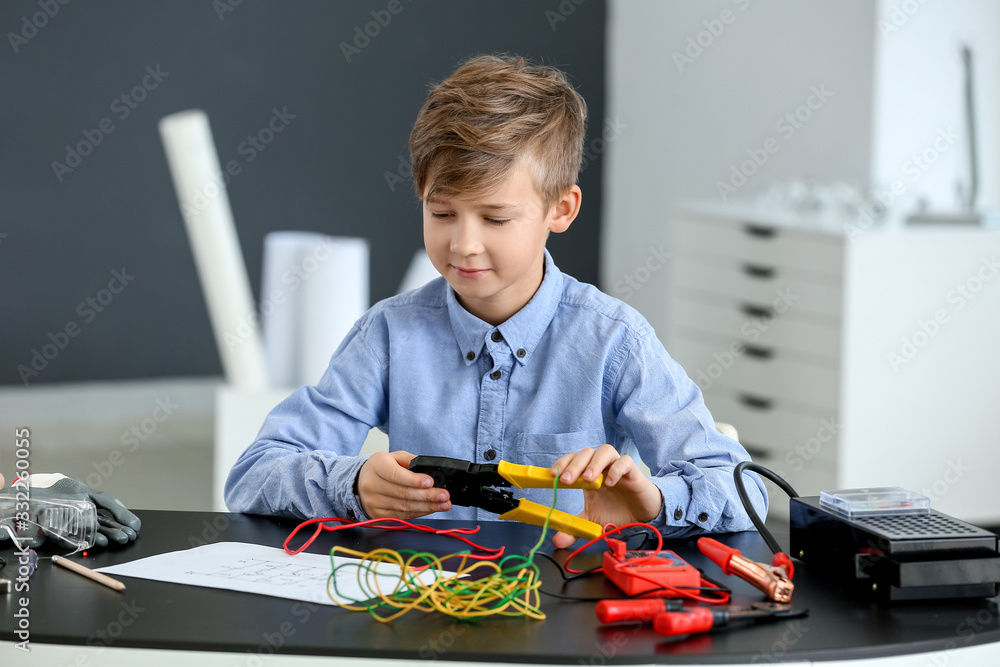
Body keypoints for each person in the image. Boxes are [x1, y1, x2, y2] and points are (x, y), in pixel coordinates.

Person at [225, 54, 766, 547]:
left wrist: (655, 503)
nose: (462, 243)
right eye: (441, 213)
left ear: (561, 209)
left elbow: (744, 493)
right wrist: (354, 483)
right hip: (420, 610)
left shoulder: (613, 340)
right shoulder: (389, 335)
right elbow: (254, 474)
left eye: (495, 218)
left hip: (566, 623)